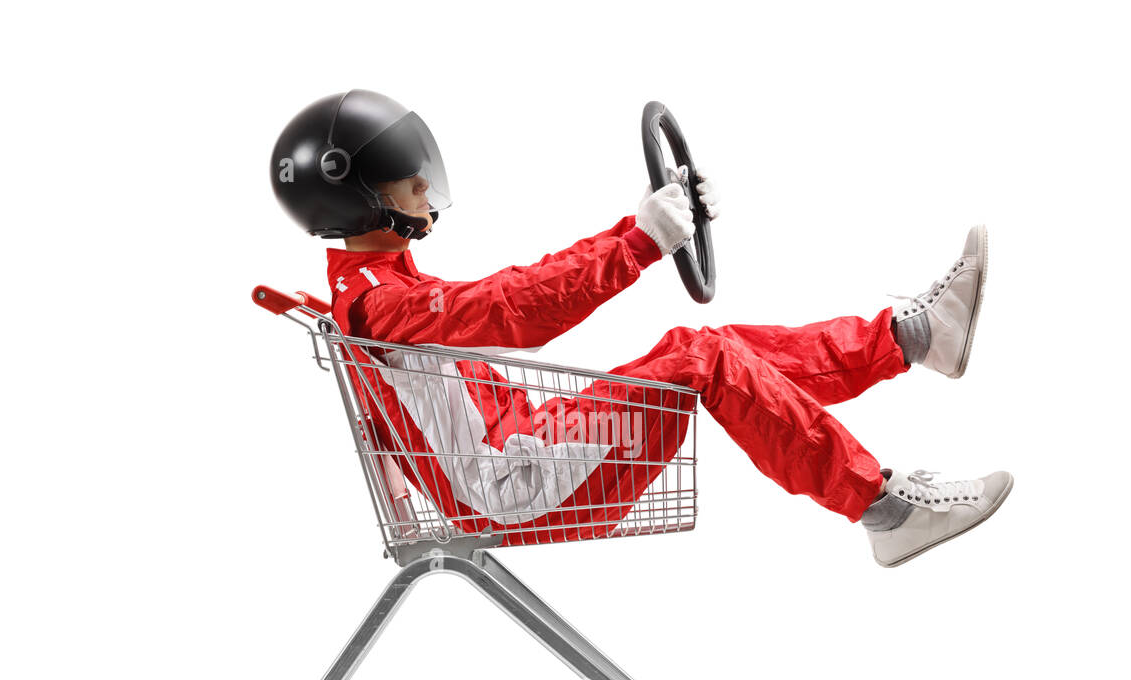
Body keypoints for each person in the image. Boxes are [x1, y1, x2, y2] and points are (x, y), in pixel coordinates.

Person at [271, 90, 1012, 567]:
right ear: (357, 195)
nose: (426, 189)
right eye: (409, 178)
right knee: (706, 360)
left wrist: (654, 224)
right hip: (512, 484)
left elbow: (503, 300)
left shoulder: (383, 282)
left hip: (522, 452)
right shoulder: (377, 304)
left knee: (702, 353)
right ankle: (883, 506)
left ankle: (914, 340)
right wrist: (639, 242)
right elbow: (512, 308)